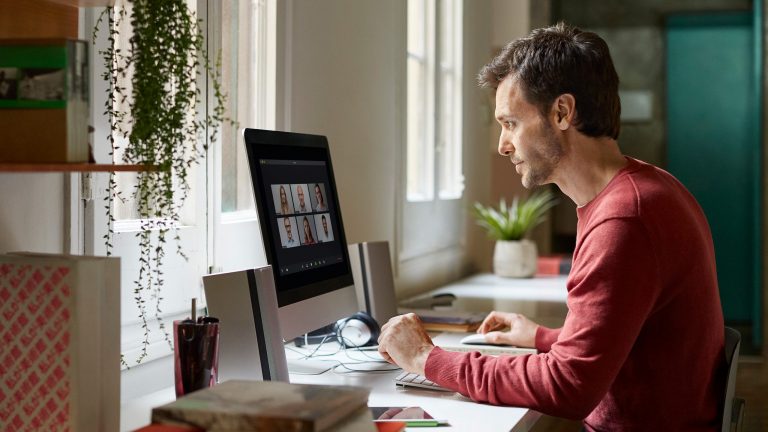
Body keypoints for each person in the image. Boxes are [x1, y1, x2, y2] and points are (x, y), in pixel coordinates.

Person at [377, 22, 725, 431]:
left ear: (562, 112)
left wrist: (425, 358)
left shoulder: (625, 219)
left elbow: (568, 385)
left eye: (510, 123)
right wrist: (544, 337)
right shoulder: (645, 189)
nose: (503, 145)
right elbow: (622, 338)